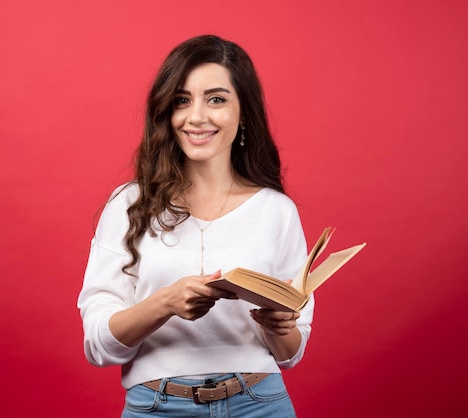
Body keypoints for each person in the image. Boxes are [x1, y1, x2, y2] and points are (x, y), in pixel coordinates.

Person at [77, 34, 315, 418]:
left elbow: (291, 353)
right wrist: (166, 303)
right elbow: (99, 346)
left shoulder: (276, 210)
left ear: (243, 115)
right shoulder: (129, 204)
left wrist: (280, 326)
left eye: (216, 99)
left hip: (260, 403)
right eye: (182, 100)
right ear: (167, 113)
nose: (197, 116)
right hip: (156, 406)